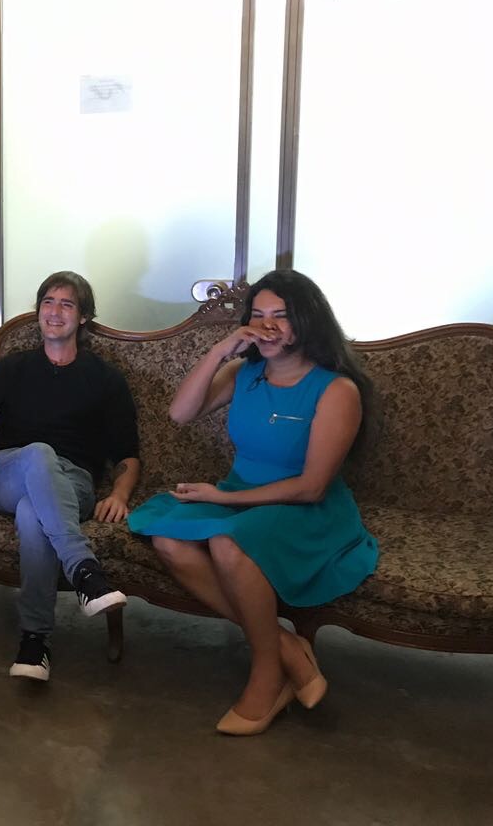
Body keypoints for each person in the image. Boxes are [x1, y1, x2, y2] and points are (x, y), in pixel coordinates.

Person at [127, 269, 379, 736]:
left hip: (305, 508)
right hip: (243, 495)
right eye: (258, 315)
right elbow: (180, 413)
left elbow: (311, 487)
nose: (267, 326)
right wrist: (220, 350)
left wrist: (222, 496)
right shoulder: (244, 373)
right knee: (167, 539)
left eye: (281, 315)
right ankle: (286, 648)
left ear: (307, 321)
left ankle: (267, 674)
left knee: (228, 543)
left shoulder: (336, 390)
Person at [0, 270, 140, 682]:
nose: (55, 311)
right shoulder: (15, 368)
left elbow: (128, 454)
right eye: (48, 301)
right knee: (38, 454)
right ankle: (85, 571)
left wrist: (119, 493)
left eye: (67, 304)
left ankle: (34, 641)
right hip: (9, 474)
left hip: (73, 484)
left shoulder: (105, 379)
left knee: (33, 513)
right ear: (38, 311)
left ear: (83, 317)